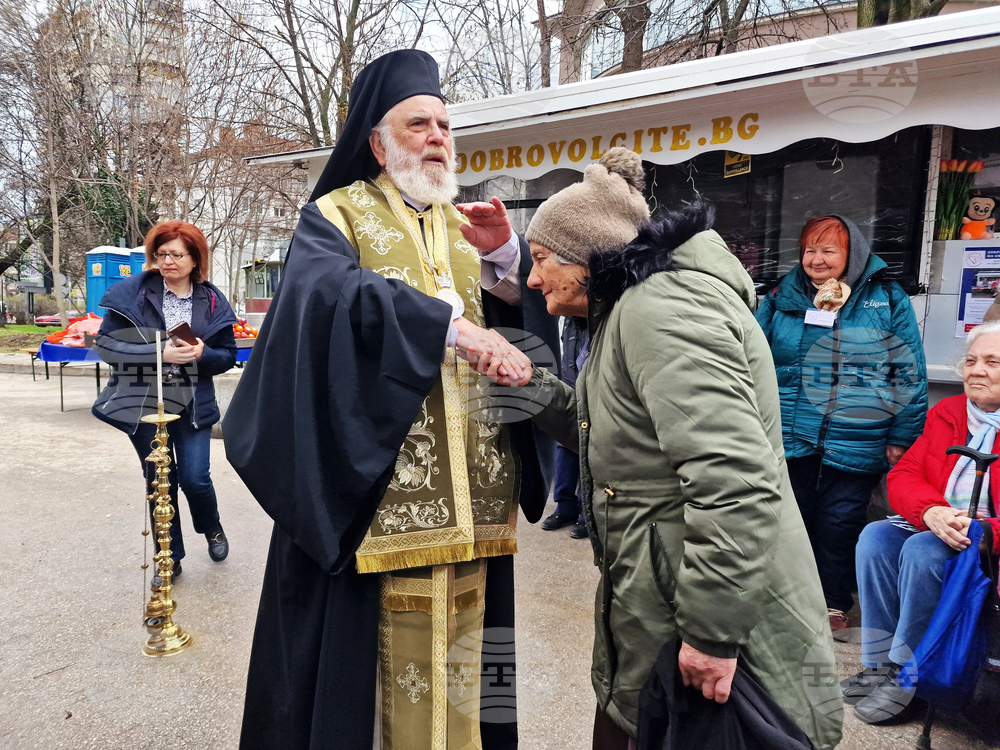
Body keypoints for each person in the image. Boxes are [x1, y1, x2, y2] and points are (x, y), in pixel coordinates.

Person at [223, 49, 558, 750]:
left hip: (478, 500)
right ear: (376, 142)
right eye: (418, 124)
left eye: (443, 123)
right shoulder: (335, 218)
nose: (437, 135)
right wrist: (443, 324)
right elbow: (325, 300)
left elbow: (520, 323)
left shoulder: (468, 227)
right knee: (371, 688)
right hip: (380, 498)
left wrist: (505, 267)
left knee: (479, 665)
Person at [502, 148, 841, 749]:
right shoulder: (624, 313)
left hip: (702, 622)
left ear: (587, 257)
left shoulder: (660, 309)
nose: (533, 278)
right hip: (655, 608)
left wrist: (712, 636)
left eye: (543, 258)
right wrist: (526, 382)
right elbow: (608, 427)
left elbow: (733, 477)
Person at [755, 215, 927, 636]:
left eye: (828, 250)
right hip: (792, 432)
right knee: (790, 520)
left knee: (840, 523)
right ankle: (791, 598)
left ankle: (832, 601)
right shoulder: (781, 296)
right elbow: (751, 359)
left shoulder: (886, 297)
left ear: (852, 255)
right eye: (810, 249)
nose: (817, 259)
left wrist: (903, 435)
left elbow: (908, 371)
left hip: (858, 434)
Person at [844, 321, 1000, 724]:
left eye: (991, 362)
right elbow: (904, 476)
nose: (976, 370)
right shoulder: (948, 412)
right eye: (970, 361)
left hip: (988, 542)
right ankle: (880, 663)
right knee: (875, 537)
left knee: (923, 549)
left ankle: (909, 675)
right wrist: (931, 510)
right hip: (941, 521)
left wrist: (986, 532)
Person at [92, 221, 238, 577]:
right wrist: (159, 353)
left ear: (194, 258)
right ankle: (169, 556)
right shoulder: (132, 293)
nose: (167, 261)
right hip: (142, 403)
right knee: (160, 479)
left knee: (195, 478)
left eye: (176, 254)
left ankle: (211, 527)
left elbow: (228, 355)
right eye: (161, 254)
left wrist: (203, 354)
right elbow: (107, 345)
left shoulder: (212, 300)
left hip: (192, 405)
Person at [541, 315, 589, 539]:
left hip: (592, 385)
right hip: (570, 382)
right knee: (564, 445)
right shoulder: (568, 316)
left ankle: (586, 513)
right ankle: (564, 508)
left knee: (589, 446)